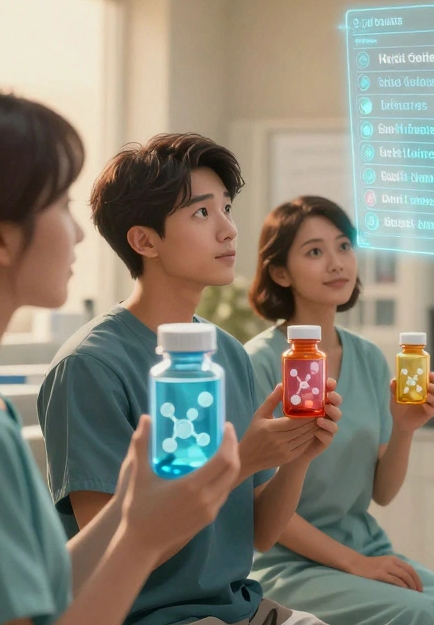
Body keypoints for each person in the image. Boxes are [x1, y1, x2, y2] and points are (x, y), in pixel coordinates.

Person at [0, 86, 242, 625]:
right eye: (62, 205)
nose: (79, 235)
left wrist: (129, 510)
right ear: (0, 240)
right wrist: (140, 540)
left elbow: (42, 587)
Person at [37, 134, 340, 625]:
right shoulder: (90, 367)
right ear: (144, 241)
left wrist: (297, 457)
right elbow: (110, 561)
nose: (228, 230)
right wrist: (240, 463)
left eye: (226, 208)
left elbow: (260, 535)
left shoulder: (228, 353)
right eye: (202, 213)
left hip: (240, 608)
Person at [244, 196, 434, 625]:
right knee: (415, 614)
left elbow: (382, 493)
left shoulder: (369, 358)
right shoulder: (259, 362)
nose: (336, 262)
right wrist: (354, 564)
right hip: (284, 561)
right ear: (280, 273)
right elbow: (259, 506)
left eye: (344, 246)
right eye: (314, 252)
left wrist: (404, 428)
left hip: (364, 545)